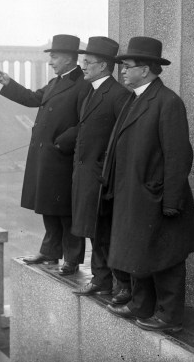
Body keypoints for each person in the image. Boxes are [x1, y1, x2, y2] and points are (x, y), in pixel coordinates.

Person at [103, 36, 194, 332]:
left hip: (156, 197)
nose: (122, 71)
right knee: (138, 253)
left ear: (145, 70)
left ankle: (169, 318)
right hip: (134, 195)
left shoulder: (167, 102)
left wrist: (170, 200)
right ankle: (141, 305)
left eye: (127, 66)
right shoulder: (136, 99)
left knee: (165, 258)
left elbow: (179, 155)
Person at [0, 34, 91, 275]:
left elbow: (86, 121)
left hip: (64, 158)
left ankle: (72, 258)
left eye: (55, 57)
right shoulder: (55, 82)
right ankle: (49, 251)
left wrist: (62, 143)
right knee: (49, 208)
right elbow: (33, 98)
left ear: (69, 58)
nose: (51, 62)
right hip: (47, 158)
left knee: (66, 212)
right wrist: (9, 83)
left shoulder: (83, 84)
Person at [69, 36, 132, 302]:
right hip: (88, 177)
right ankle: (102, 281)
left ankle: (124, 286)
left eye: (88, 62)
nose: (82, 65)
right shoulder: (93, 91)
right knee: (96, 232)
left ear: (104, 66)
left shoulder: (118, 95)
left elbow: (124, 140)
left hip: (103, 178)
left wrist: (106, 170)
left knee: (107, 232)